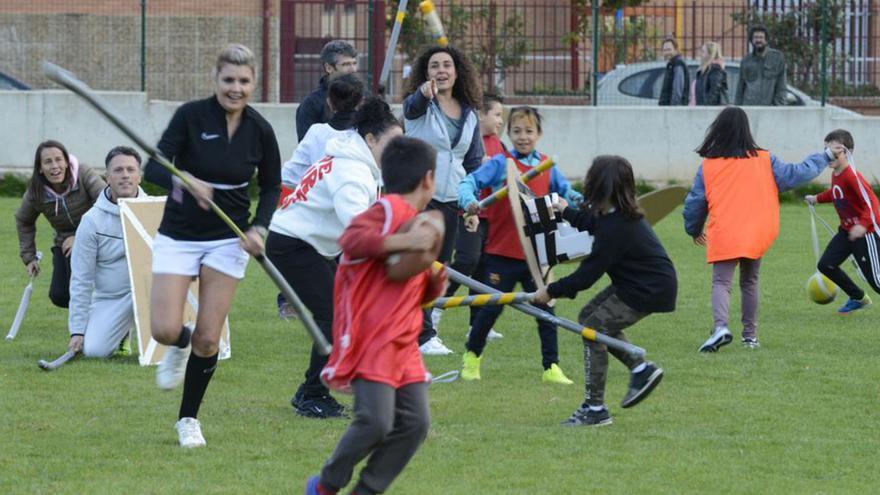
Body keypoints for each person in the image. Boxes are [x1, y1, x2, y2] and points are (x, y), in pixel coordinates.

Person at [144, 44, 281, 448]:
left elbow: (272, 185)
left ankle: (188, 419)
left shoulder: (261, 129)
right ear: (216, 80)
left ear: (254, 82)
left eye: (243, 81)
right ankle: (178, 345)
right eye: (228, 80)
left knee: (209, 338)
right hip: (180, 234)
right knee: (165, 329)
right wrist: (183, 178)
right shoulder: (190, 116)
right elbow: (154, 166)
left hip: (228, 238)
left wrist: (259, 228)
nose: (235, 88)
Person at [305, 136, 446, 495]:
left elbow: (411, 289)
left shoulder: (417, 222)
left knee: (415, 423)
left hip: (404, 342)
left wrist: (432, 278)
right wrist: (406, 244)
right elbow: (351, 239)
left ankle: (366, 491)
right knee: (375, 422)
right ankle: (325, 485)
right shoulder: (385, 210)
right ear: (428, 179)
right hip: (371, 338)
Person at [267, 97, 402, 419]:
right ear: (370, 139)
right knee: (335, 317)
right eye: (393, 144)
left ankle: (326, 387)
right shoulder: (352, 170)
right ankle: (312, 394)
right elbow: (358, 230)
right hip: (294, 244)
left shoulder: (354, 157)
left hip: (313, 245)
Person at [532, 155, 676, 427]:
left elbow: (586, 276)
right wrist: (565, 211)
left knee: (593, 329)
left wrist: (550, 290)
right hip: (640, 283)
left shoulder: (616, 228)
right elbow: (592, 222)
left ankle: (594, 407)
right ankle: (640, 368)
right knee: (589, 318)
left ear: (595, 186)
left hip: (647, 289)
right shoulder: (615, 216)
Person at [683, 107, 835, 352]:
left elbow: (695, 203)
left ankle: (721, 327)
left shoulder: (709, 166)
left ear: (717, 131)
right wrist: (825, 156)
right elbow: (794, 175)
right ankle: (750, 337)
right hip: (757, 231)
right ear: (746, 130)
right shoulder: (764, 159)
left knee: (722, 282)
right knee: (750, 282)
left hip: (725, 231)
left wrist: (693, 229)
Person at [458, 106, 582, 385]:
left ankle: (551, 368)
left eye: (529, 131)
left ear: (538, 134)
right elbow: (470, 182)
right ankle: (471, 358)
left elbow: (567, 193)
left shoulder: (547, 166)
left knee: (546, 311)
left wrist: (582, 201)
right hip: (501, 254)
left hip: (538, 255)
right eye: (516, 131)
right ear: (509, 134)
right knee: (490, 311)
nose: (522, 137)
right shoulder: (501, 163)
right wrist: (469, 201)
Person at [403, 45, 484, 355]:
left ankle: (425, 318)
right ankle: (423, 336)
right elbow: (410, 109)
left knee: (449, 264)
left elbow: (474, 162)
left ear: (457, 71)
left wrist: (471, 204)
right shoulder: (420, 107)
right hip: (423, 195)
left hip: (455, 197)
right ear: (426, 73)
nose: (441, 70)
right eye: (434, 65)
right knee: (422, 264)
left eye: (447, 65)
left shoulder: (470, 113)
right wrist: (424, 93)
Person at [276, 73, 365, 321]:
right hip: (350, 214)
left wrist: (285, 201)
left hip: (320, 217)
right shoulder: (365, 137)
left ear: (330, 102)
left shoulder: (317, 133)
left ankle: (303, 306)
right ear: (360, 102)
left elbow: (290, 173)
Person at [431, 93, 506, 341]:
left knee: (484, 268)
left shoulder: (499, 144)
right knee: (466, 260)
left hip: (490, 216)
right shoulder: (469, 141)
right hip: (467, 210)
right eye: (496, 114)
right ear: (481, 114)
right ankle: (437, 307)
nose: (500, 121)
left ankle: (478, 325)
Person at [67, 146, 146, 358]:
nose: (125, 175)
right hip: (112, 298)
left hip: (151, 291)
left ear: (140, 176)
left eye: (131, 170)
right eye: (118, 170)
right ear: (107, 177)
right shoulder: (91, 221)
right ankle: (122, 333)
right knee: (94, 351)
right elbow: (81, 278)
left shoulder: (156, 212)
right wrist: (77, 331)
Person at [15, 140, 106, 308]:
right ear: (40, 168)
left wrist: (80, 237)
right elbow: (23, 220)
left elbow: (107, 203)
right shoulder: (36, 191)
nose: (54, 165)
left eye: (58, 159)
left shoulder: (84, 173)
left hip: (99, 235)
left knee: (80, 290)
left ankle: (95, 325)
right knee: (60, 295)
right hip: (63, 242)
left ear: (66, 161)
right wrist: (29, 258)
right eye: (48, 162)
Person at [805, 129, 880, 314]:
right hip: (846, 232)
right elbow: (836, 193)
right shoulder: (837, 174)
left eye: (833, 151)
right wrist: (816, 198)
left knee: (877, 281)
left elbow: (872, 203)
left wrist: (862, 225)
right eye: (826, 151)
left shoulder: (851, 176)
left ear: (846, 152)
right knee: (826, 265)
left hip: (865, 233)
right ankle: (857, 297)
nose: (828, 156)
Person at [296, 40, 359, 141]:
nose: (353, 69)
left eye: (354, 63)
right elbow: (307, 147)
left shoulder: (364, 97)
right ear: (329, 68)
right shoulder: (311, 104)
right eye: (346, 64)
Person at [735, 25, 787, 106]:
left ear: (766, 40)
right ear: (751, 40)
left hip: (769, 110)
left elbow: (781, 86)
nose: (758, 40)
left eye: (761, 37)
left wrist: (777, 107)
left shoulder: (777, 58)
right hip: (749, 109)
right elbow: (740, 88)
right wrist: (738, 108)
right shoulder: (746, 60)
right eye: (755, 37)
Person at [693, 41, 728, 106]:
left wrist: (707, 108)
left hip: (711, 111)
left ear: (710, 55)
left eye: (703, 52)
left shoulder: (715, 70)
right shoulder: (704, 71)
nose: (700, 54)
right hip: (702, 109)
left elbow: (714, 93)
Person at [658, 37, 689, 106]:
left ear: (676, 50)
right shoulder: (671, 65)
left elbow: (677, 93)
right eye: (664, 50)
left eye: (669, 49)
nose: (666, 52)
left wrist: (673, 110)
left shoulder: (678, 64)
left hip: (673, 111)